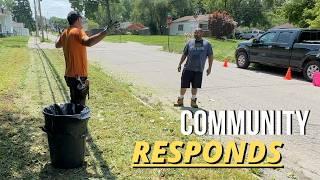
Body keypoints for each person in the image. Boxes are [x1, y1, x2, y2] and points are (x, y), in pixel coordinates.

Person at [55, 11, 111, 105]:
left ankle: (72, 117)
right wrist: (106, 32)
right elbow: (88, 42)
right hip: (78, 77)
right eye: (81, 19)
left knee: (74, 102)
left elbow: (57, 44)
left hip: (69, 76)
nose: (82, 21)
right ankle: (75, 119)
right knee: (79, 106)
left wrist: (59, 35)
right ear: (78, 19)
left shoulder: (65, 33)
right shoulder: (78, 31)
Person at [174, 28, 214, 108]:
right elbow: (184, 54)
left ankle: (193, 101)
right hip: (188, 68)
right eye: (195, 32)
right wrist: (179, 64)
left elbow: (210, 56)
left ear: (202, 33)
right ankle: (180, 100)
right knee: (184, 85)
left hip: (199, 70)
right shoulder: (190, 42)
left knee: (195, 86)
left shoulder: (207, 44)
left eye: (197, 32)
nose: (195, 34)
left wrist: (209, 68)